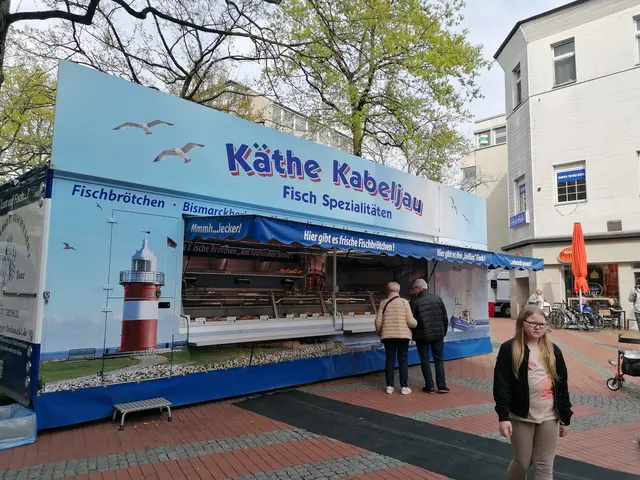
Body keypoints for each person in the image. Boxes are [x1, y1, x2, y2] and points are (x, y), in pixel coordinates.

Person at [493, 306, 573, 480]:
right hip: (521, 415)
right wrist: (503, 417)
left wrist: (565, 417)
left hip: (549, 415)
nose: (538, 327)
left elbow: (562, 385)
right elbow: (502, 385)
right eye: (533, 323)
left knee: (544, 465)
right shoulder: (510, 349)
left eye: (542, 324)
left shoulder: (553, 350)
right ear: (522, 323)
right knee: (523, 462)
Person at [375, 282, 417, 395]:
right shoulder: (404, 302)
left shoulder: (383, 303)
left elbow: (378, 322)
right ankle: (404, 387)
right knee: (403, 360)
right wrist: (416, 324)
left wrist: (380, 332)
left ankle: (389, 386)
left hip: (388, 336)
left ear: (388, 290)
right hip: (403, 336)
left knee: (390, 360)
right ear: (398, 290)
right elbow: (411, 321)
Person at [410, 278, 450, 394]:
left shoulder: (414, 302)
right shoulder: (438, 298)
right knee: (439, 360)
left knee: (424, 360)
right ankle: (442, 386)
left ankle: (429, 386)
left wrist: (414, 335)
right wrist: (443, 332)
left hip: (422, 336)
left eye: (414, 289)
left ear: (418, 288)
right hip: (438, 335)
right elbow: (445, 318)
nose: (414, 291)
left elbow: (412, 321)